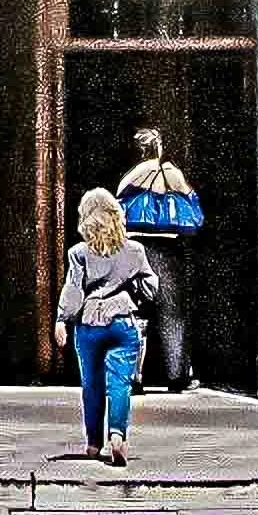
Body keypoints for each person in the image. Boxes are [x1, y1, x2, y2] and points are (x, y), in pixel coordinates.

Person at [54, 183, 157, 464]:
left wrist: (62, 319)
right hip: (123, 323)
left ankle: (92, 444)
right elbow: (150, 287)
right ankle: (117, 436)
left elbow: (73, 290)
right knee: (120, 382)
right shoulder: (135, 250)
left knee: (92, 384)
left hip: (88, 325)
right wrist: (131, 289)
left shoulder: (79, 253)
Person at [118, 126, 205, 391]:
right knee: (172, 312)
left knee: (135, 312)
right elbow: (192, 202)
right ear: (158, 147)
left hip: (135, 245)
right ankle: (177, 375)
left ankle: (133, 377)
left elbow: (118, 203)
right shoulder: (172, 173)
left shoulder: (132, 175)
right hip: (168, 247)